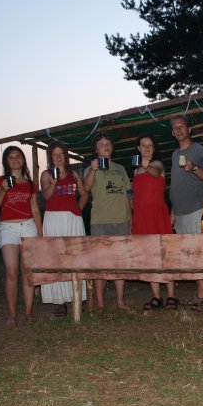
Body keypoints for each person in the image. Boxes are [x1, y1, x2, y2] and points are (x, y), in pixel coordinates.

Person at [168, 115, 203, 311]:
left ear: (189, 129)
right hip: (180, 212)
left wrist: (193, 167)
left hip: (198, 209)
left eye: (182, 126)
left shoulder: (199, 150)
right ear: (172, 133)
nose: (179, 130)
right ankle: (201, 294)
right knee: (192, 256)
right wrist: (173, 210)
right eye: (175, 128)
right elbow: (177, 185)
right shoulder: (174, 155)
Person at [0, 146, 43, 326]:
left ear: (23, 159)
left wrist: (40, 233)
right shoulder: (0, 181)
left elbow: (35, 209)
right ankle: (12, 316)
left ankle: (29, 313)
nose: (15, 159)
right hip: (8, 228)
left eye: (18, 156)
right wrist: (4, 189)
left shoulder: (30, 184)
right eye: (11, 156)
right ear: (6, 161)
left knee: (27, 271)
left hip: (28, 226)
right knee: (12, 271)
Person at [39, 141, 88, 317]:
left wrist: (78, 208)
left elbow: (84, 194)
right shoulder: (46, 174)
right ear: (50, 157)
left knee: (75, 257)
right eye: (55, 154)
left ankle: (79, 296)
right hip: (54, 219)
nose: (58, 157)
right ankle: (59, 301)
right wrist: (53, 183)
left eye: (61, 154)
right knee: (56, 258)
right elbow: (46, 196)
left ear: (65, 156)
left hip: (73, 220)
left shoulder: (74, 174)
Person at [84, 133, 132, 312]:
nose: (106, 146)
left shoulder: (121, 168)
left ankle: (120, 301)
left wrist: (131, 218)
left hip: (121, 220)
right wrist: (93, 169)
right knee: (100, 263)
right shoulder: (90, 169)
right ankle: (100, 303)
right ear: (96, 149)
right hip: (100, 221)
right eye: (101, 143)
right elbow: (86, 188)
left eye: (108, 143)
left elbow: (128, 194)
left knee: (120, 263)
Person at [130, 133, 176, 310]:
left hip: (157, 215)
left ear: (154, 148)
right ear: (138, 148)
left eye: (150, 145)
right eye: (143, 145)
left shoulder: (157, 165)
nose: (147, 148)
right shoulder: (136, 171)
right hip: (141, 217)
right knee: (148, 256)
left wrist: (145, 164)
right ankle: (156, 297)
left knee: (165, 255)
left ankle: (171, 296)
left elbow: (155, 173)